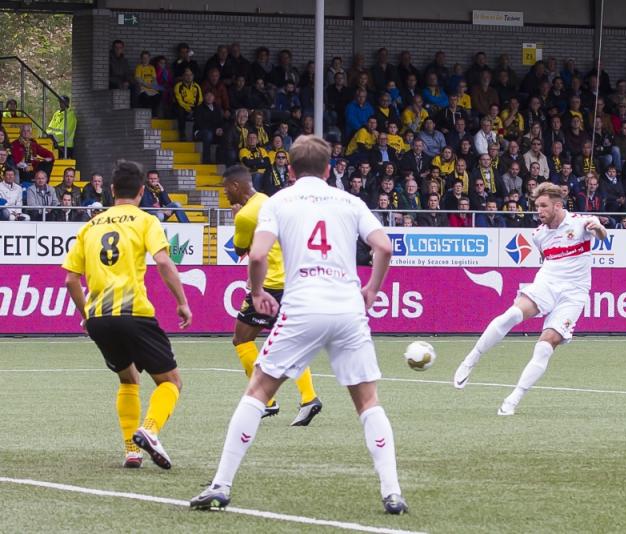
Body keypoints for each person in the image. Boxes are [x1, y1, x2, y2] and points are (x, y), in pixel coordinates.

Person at [190, 135, 406, 514]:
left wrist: (257, 292)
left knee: (258, 390)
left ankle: (221, 484)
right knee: (368, 401)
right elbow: (384, 246)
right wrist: (372, 288)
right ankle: (392, 492)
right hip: (347, 306)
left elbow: (257, 254)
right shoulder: (350, 200)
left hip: (303, 303)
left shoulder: (279, 201)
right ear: (328, 169)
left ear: (289, 170)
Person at [62, 160, 192, 469]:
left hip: (98, 318)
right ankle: (148, 430)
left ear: (111, 190)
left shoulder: (90, 225)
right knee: (171, 382)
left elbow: (70, 279)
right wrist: (182, 302)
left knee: (128, 378)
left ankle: (130, 451)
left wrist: (86, 316)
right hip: (133, 312)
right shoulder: (145, 220)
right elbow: (163, 261)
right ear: (142, 191)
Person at [453, 182, 607, 416]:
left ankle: (513, 400)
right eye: (537, 206)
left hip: (574, 294)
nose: (539, 211)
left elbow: (602, 236)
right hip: (547, 283)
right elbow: (546, 259)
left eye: (543, 206)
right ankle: (470, 360)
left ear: (557, 206)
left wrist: (597, 227)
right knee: (512, 314)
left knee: (545, 348)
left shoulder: (580, 222)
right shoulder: (538, 235)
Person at [220, 164, 324, 424]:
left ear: (235, 186)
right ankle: (308, 397)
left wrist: (236, 218)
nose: (225, 195)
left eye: (225, 190)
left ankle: (266, 400)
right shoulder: (267, 200)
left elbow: (240, 250)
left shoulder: (245, 215)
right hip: (288, 280)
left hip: (269, 284)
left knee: (241, 339)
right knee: (291, 343)